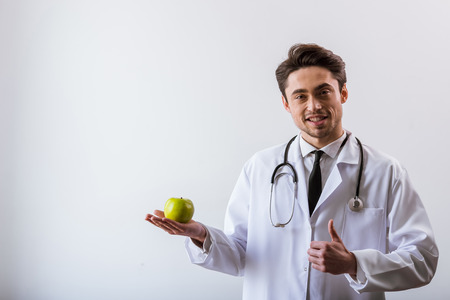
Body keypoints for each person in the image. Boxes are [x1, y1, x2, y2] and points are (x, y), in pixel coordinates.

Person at [145, 43, 439, 300]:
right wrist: (201, 235)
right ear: (286, 104)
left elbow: (423, 260)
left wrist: (354, 263)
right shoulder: (260, 167)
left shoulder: (386, 171)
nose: (314, 106)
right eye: (300, 96)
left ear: (343, 93)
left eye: (324, 91)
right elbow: (241, 255)